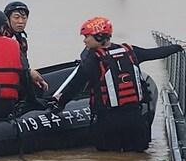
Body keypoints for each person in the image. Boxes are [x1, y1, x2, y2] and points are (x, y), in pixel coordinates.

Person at [46, 16, 182, 152]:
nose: (84, 40)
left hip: (108, 121)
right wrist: (178, 47)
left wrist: (59, 103)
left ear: (99, 37)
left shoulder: (92, 60)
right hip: (135, 118)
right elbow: (155, 53)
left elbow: (75, 86)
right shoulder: (130, 51)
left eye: (87, 36)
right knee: (136, 159)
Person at [3, 1, 50, 95]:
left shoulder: (22, 41)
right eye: (16, 17)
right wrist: (29, 72)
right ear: (7, 19)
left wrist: (29, 73)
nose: (21, 21)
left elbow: (23, 63)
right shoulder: (2, 39)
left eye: (24, 18)